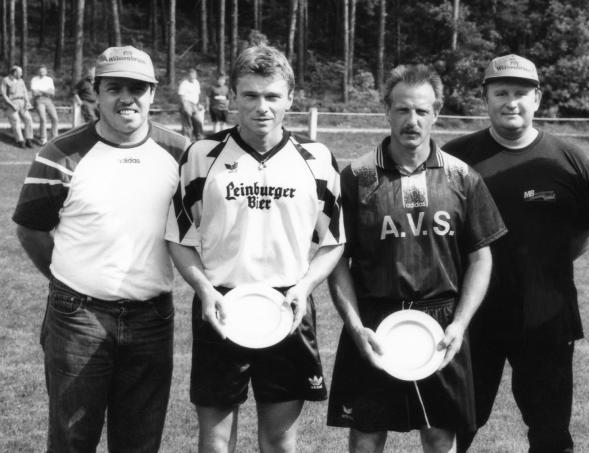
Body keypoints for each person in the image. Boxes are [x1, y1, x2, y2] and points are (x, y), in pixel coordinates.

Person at [166, 44, 345, 453]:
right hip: (220, 305)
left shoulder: (316, 158)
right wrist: (204, 290)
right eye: (250, 95)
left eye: (272, 96)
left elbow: (334, 241)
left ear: (290, 99)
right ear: (232, 96)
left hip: (288, 305)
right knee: (216, 441)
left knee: (280, 441)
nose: (262, 107)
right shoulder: (201, 156)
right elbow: (179, 237)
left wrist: (305, 286)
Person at [13, 46, 189, 452]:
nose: (127, 98)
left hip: (152, 318)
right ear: (96, 92)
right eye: (114, 88)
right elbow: (31, 231)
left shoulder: (181, 152)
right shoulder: (59, 154)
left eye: (137, 88)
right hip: (77, 319)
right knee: (72, 440)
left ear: (153, 93)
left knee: (139, 443)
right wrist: (70, 282)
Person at [326, 64, 507, 453]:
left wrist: (460, 323)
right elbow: (336, 259)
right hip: (375, 319)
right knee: (366, 438)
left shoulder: (462, 177)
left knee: (440, 437)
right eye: (403, 109)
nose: (412, 120)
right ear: (386, 111)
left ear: (436, 113)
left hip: (440, 321)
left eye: (422, 110)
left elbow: (481, 258)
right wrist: (355, 326)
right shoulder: (356, 176)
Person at [443, 54, 589, 453]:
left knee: (550, 433)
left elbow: (585, 231)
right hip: (470, 318)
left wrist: (541, 269)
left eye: (520, 93)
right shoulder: (453, 159)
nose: (511, 102)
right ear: (485, 98)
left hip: (546, 319)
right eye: (501, 93)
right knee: (454, 427)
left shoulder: (568, 159)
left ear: (537, 99)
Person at [2, 65, 35, 147]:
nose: (21, 74)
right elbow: (4, 95)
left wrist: (27, 102)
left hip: (22, 102)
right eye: (20, 72)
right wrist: (11, 104)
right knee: (16, 121)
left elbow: (25, 92)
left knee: (28, 119)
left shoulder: (21, 80)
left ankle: (29, 139)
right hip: (11, 103)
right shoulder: (5, 80)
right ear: (15, 72)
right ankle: (20, 141)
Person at [30, 65, 60, 144]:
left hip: (48, 100)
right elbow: (34, 93)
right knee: (43, 119)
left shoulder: (49, 79)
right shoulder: (34, 79)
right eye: (40, 71)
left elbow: (52, 93)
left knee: (55, 118)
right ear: (38, 72)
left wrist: (41, 91)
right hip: (39, 100)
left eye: (43, 71)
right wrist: (46, 91)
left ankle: (55, 136)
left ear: (46, 72)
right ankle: (43, 138)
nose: (42, 72)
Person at [178, 68, 205, 140]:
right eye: (191, 75)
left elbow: (198, 94)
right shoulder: (184, 83)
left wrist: (199, 104)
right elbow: (181, 95)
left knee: (198, 122)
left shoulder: (197, 82)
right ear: (188, 75)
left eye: (194, 75)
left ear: (196, 75)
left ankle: (199, 138)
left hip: (195, 104)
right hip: (187, 103)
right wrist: (184, 106)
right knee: (187, 124)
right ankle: (187, 140)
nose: (193, 76)